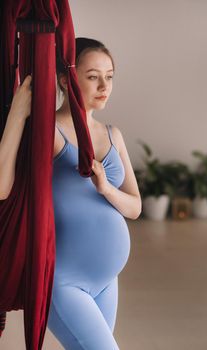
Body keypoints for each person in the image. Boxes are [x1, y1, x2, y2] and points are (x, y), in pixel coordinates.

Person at [0, 37, 142, 349]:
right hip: (63, 282)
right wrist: (18, 114)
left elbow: (134, 207)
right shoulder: (48, 132)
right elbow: (1, 185)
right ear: (67, 79)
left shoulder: (112, 134)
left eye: (109, 76)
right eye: (93, 76)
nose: (104, 85)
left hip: (107, 280)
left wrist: (106, 189)